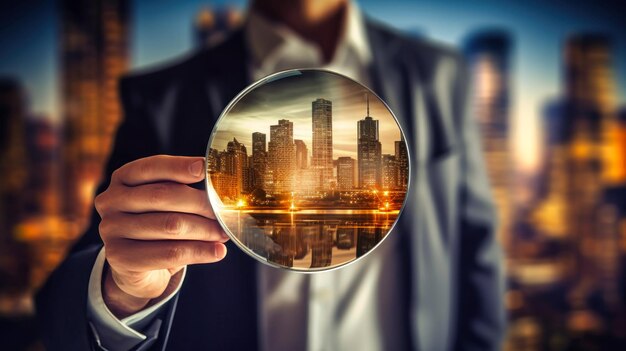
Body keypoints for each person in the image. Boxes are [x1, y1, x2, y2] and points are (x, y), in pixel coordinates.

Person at [36, 0, 506, 350]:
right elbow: (68, 297)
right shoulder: (161, 97)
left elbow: (476, 257)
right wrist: (122, 289)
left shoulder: (438, 77)